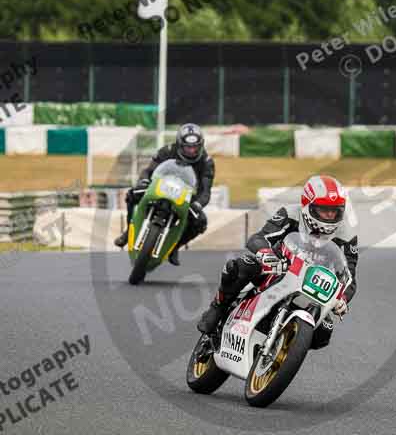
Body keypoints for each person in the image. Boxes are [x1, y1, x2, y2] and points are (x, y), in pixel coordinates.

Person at [197, 175, 358, 350]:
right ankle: (218, 308)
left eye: (335, 211)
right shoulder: (290, 213)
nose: (330, 215)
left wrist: (342, 298)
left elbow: (349, 275)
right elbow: (258, 238)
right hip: (278, 267)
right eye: (324, 210)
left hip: (312, 286)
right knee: (239, 266)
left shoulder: (347, 236)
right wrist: (266, 253)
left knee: (323, 334)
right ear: (307, 205)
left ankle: (285, 348)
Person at [114, 123, 215, 264]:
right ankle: (127, 232)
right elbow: (148, 171)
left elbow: (206, 190)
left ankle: (175, 247)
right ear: (179, 144)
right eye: (188, 147)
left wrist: (198, 204)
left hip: (187, 196)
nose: (192, 151)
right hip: (160, 187)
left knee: (200, 222)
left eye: (195, 147)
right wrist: (143, 181)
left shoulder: (207, 162)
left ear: (201, 145)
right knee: (132, 194)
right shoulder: (166, 151)